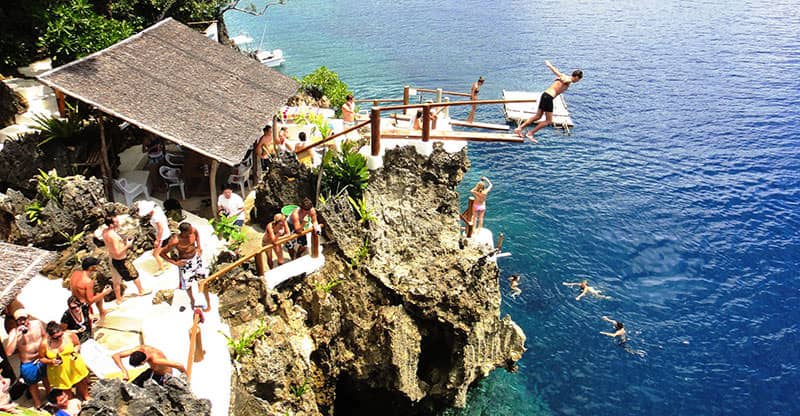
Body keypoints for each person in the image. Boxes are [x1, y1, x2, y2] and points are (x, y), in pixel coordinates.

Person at [514, 61, 583, 142]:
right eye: (578, 79)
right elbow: (566, 80)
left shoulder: (563, 76)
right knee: (548, 121)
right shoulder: (568, 80)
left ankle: (519, 128)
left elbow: (556, 71)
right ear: (576, 77)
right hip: (549, 97)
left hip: (545, 95)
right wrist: (567, 80)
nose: (577, 81)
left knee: (537, 116)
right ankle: (530, 133)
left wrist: (549, 65)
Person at [3, 309, 48, 409]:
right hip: (28, 363)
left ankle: (50, 397)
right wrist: (16, 336)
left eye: (24, 319)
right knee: (33, 385)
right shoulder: (14, 332)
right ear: (16, 321)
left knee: (46, 378)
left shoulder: (37, 324)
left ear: (28, 318)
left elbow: (45, 336)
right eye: (19, 320)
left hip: (41, 357)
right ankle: (38, 405)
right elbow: (9, 352)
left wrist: (43, 353)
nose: (23, 322)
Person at [159, 222, 210, 310]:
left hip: (196, 259)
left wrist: (199, 246)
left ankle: (207, 302)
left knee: (203, 281)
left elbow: (197, 235)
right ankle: (192, 300)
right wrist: (175, 263)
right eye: (189, 231)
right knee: (187, 285)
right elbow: (162, 253)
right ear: (184, 232)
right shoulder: (176, 241)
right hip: (185, 263)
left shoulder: (193, 231)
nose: (191, 232)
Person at [38, 322, 89, 401]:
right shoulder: (44, 344)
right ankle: (72, 402)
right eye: (55, 337)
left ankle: (86, 397)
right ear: (49, 335)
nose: (59, 338)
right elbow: (41, 358)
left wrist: (75, 350)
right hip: (58, 370)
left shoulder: (69, 335)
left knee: (81, 381)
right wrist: (51, 361)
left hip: (73, 363)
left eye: (60, 335)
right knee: (65, 388)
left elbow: (77, 344)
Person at [102, 215, 148, 304]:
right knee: (134, 274)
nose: (118, 223)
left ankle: (119, 299)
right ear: (111, 225)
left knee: (116, 281)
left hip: (112, 259)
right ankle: (141, 291)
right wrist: (127, 245)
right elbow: (117, 252)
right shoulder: (113, 236)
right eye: (116, 222)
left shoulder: (105, 232)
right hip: (121, 260)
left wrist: (122, 240)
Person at [112, 345, 186, 387]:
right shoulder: (140, 349)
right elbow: (115, 356)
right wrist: (124, 371)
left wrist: (187, 379)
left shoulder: (156, 360)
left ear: (143, 362)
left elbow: (178, 365)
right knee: (132, 386)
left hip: (163, 376)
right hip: (152, 371)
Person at [137, 200, 171, 274]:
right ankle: (166, 263)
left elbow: (160, 229)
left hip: (162, 236)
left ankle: (161, 268)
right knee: (163, 251)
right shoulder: (157, 209)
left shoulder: (155, 217)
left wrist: (157, 240)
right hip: (167, 233)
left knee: (155, 254)